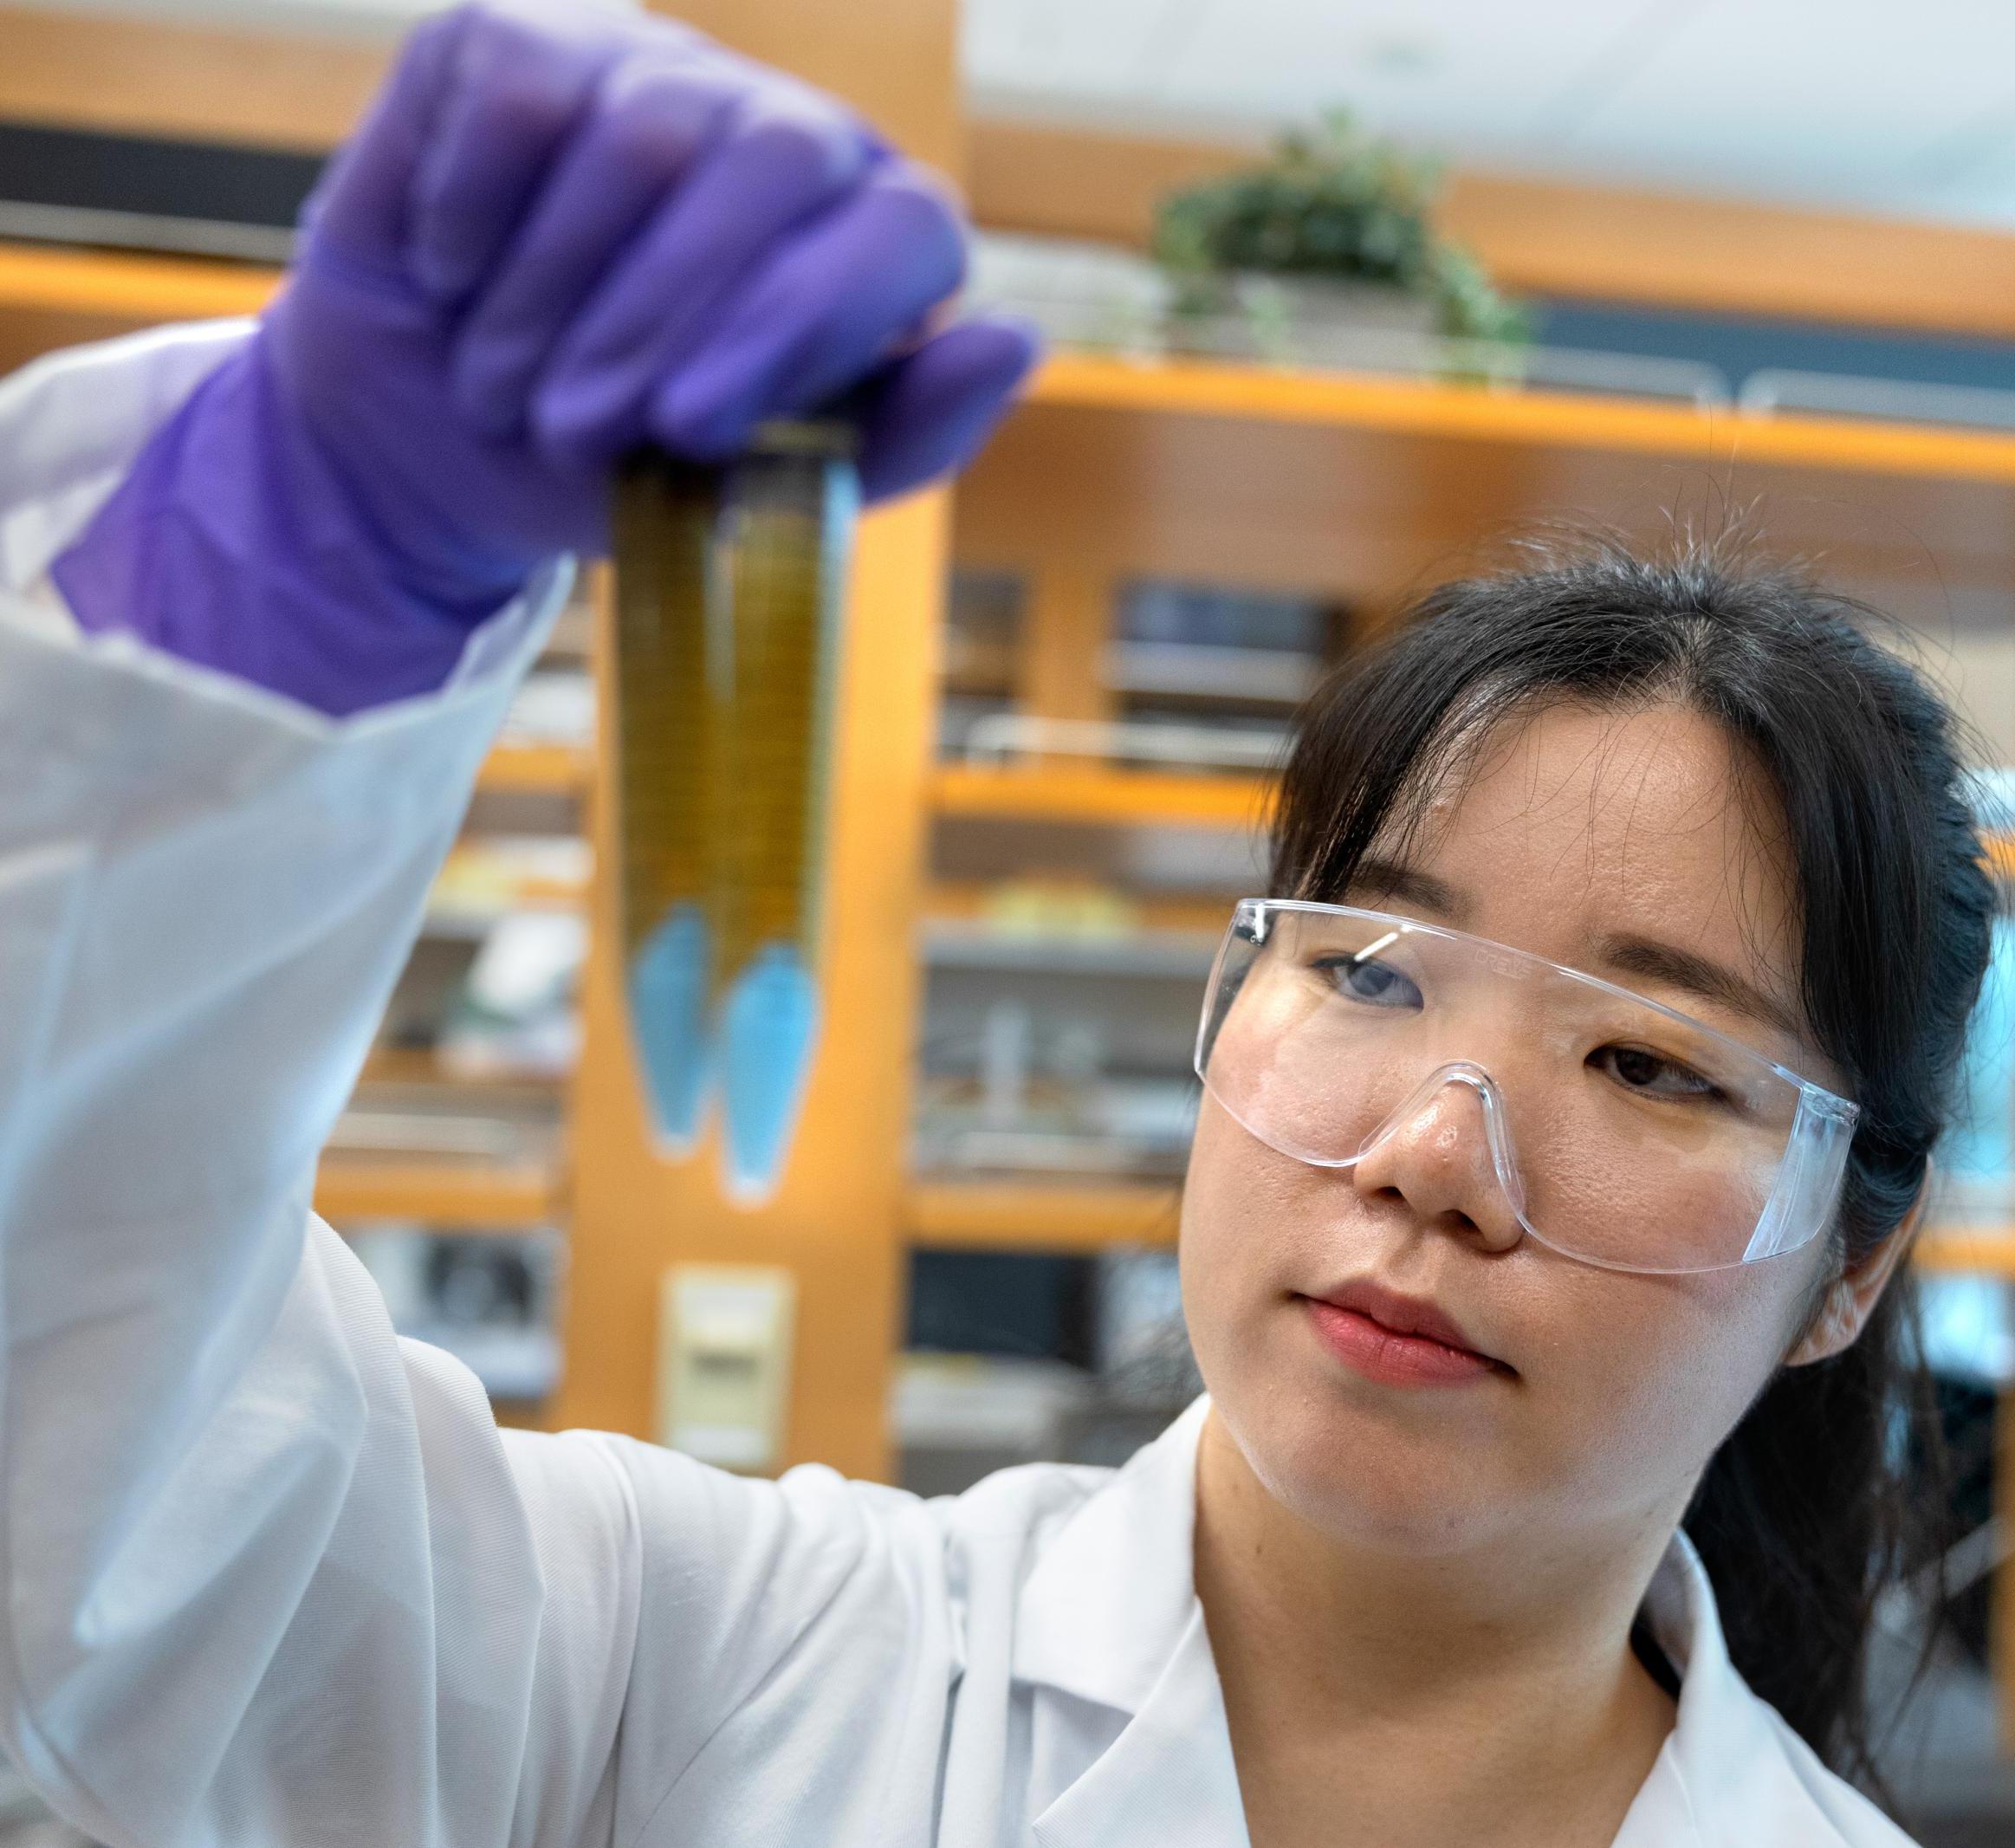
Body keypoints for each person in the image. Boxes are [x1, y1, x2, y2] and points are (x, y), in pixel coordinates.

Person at [0, 4, 1990, 1845]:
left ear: (1849, 1256)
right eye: (1367, 969)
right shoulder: (687, 1665)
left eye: (1646, 1059)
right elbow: (105, 1518)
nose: (1429, 1157)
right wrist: (280, 564)